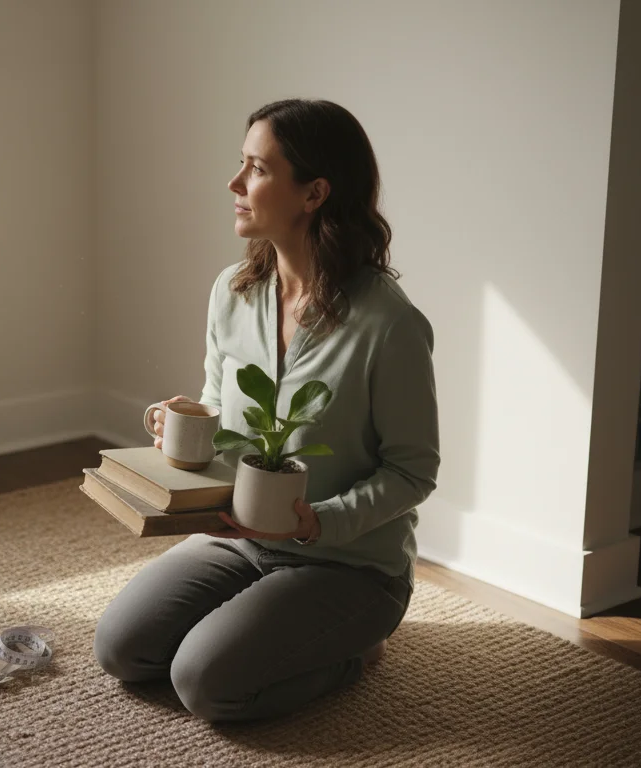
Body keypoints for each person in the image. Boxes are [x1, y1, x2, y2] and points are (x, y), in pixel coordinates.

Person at [92, 98, 440, 722]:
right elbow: (227, 414)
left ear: (314, 193)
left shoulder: (390, 325)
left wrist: (314, 524)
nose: (234, 183)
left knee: (205, 684)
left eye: (256, 168)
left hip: (349, 564)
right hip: (241, 540)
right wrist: (186, 419)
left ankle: (357, 651)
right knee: (122, 648)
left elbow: (412, 471)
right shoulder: (233, 292)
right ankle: (263, 619)